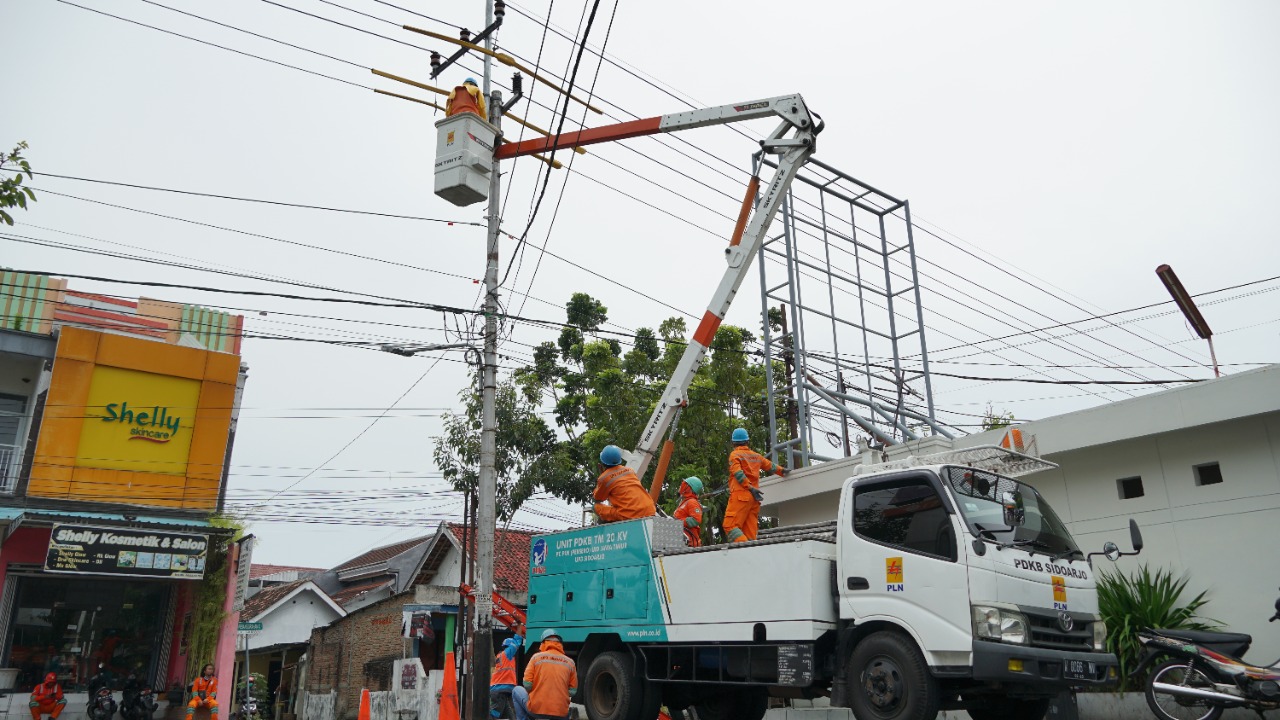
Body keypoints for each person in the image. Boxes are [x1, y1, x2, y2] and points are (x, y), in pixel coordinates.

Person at [723, 428, 785, 543]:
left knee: (730, 526)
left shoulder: (735, 454)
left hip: (741, 495)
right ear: (747, 441)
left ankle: (745, 550)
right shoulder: (756, 456)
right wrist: (783, 471)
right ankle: (751, 551)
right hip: (753, 498)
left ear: (733, 443)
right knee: (750, 533)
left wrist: (749, 487)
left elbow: (738, 473)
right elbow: (770, 466)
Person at [511, 630, 576, 720]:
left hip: (536, 710)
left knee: (516, 690)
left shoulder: (536, 658)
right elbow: (572, 691)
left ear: (543, 642)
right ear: (560, 644)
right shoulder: (570, 662)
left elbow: (527, 685)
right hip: (561, 714)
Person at [593, 445, 656, 523]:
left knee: (596, 507)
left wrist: (601, 479)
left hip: (629, 514)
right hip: (649, 510)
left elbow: (598, 498)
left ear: (602, 462)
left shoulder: (604, 478)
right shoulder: (629, 470)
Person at [490, 634, 522, 719]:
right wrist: (519, 629)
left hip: (500, 690)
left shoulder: (501, 656)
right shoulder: (507, 654)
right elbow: (516, 643)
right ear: (508, 647)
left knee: (509, 715)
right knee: (494, 714)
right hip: (500, 689)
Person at [672, 476, 704, 547]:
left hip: (690, 543)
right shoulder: (684, 502)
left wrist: (678, 522)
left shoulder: (692, 502)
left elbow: (696, 520)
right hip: (683, 542)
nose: (681, 486)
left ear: (689, 487)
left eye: (684, 484)